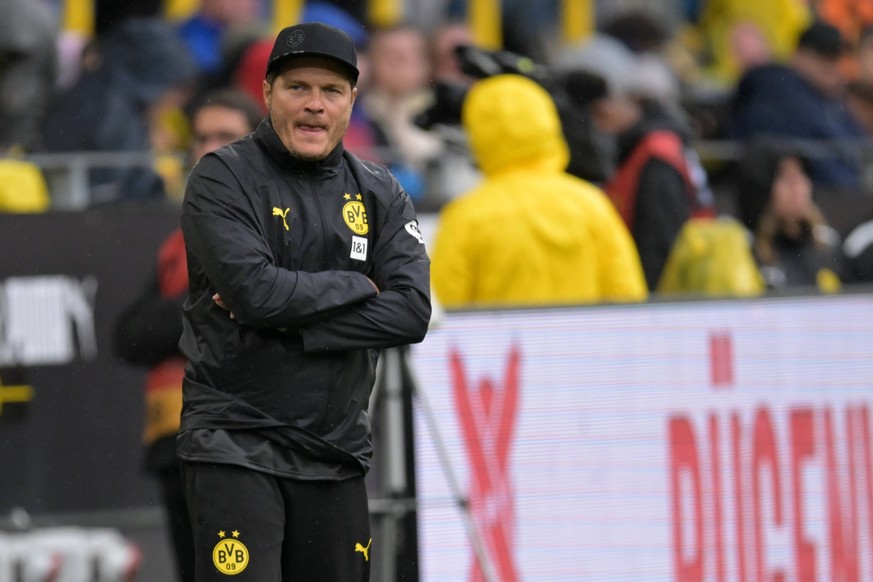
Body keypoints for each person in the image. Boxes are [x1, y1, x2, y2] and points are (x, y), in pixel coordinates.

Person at [178, 22, 431, 581]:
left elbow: (412, 311)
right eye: (298, 88)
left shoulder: (379, 189)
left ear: (351, 102)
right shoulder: (222, 177)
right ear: (268, 93)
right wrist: (357, 286)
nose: (315, 105)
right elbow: (254, 291)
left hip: (335, 451)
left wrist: (294, 323)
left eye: (331, 91)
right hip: (235, 439)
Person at [113, 89, 263, 582]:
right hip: (176, 436)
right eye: (201, 137)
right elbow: (128, 336)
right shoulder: (178, 240)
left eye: (226, 136)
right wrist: (204, 311)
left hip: (252, 436)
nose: (210, 148)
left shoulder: (277, 224)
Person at [430, 74, 648, 308]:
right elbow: (628, 298)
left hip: (506, 345)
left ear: (478, 133)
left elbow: (443, 313)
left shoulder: (466, 217)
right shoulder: (592, 204)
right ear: (548, 123)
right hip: (584, 344)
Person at [568, 63, 714, 291]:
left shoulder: (654, 158)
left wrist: (650, 307)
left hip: (672, 291)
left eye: (603, 113)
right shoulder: (660, 143)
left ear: (630, 103)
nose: (600, 124)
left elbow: (659, 243)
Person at [729, 21, 868, 190]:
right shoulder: (778, 86)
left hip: (841, 194)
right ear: (799, 55)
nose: (833, 65)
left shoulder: (829, 99)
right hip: (815, 195)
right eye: (825, 55)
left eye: (838, 56)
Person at [735, 145, 845, 292]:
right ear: (761, 189)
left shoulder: (828, 245)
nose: (798, 185)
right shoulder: (743, 251)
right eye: (785, 177)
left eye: (802, 174)